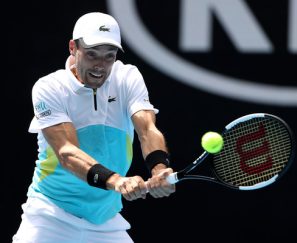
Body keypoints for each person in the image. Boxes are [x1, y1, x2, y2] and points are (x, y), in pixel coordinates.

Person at [13, 12, 175, 243]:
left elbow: (147, 129)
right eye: (91, 54)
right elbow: (68, 154)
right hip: (50, 216)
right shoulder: (49, 87)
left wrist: (159, 169)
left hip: (105, 221)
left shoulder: (127, 77)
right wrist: (117, 181)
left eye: (109, 56)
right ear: (72, 48)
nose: (100, 65)